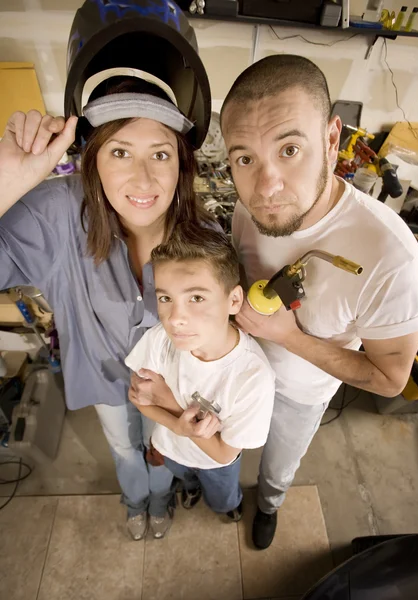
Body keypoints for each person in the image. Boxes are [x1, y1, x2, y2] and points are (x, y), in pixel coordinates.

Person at [0, 69, 217, 539]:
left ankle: (161, 498)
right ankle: (135, 502)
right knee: (124, 448)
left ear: (180, 163)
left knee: (163, 446)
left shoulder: (207, 238)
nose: (142, 178)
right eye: (120, 152)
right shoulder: (58, 214)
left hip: (173, 386)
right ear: (93, 160)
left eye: (159, 153)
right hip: (102, 378)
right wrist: (6, 180)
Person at [220, 54, 418, 550]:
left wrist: (288, 337)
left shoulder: (389, 256)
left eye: (290, 149)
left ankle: (268, 504)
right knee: (222, 443)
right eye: (245, 157)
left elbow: (390, 378)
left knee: (280, 460)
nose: (266, 188)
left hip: (301, 393)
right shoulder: (247, 211)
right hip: (237, 368)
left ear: (332, 140)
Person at [125, 224, 275, 529]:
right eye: (165, 298)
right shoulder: (159, 340)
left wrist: (172, 409)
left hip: (215, 464)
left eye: (196, 298)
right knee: (184, 477)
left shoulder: (253, 377)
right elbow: (139, 397)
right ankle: (190, 489)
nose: (175, 318)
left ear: (233, 301)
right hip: (171, 449)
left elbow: (222, 453)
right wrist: (178, 426)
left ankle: (228, 506)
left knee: (222, 495)